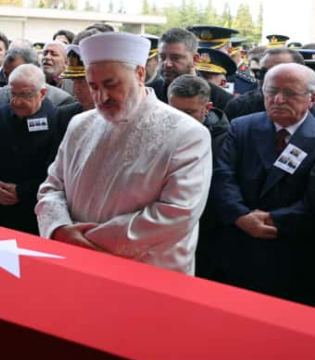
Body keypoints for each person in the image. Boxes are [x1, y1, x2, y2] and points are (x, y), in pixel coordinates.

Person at [36, 32, 212, 275]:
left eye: (111, 84)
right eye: (93, 86)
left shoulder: (188, 133)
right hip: (74, 265)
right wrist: (58, 228)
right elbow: (52, 186)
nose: (101, 97)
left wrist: (80, 240)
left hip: (147, 275)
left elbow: (177, 215)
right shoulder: (80, 124)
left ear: (140, 74)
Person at [209, 63, 315, 304]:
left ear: (312, 98)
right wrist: (240, 216)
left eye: (289, 93)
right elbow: (222, 176)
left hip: (293, 252)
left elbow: (311, 201)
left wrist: (273, 220)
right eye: (270, 91)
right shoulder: (242, 127)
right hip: (236, 245)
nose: (277, 99)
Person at [0, 64, 66, 234]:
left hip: (34, 212)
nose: (16, 101)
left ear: (42, 93)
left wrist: (22, 191)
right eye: (13, 94)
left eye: (25, 95)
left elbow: (57, 172)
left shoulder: (58, 120)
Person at [166, 74, 229, 279]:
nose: (181, 119)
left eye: (189, 112)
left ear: (207, 108)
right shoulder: (157, 130)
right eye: (174, 111)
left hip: (209, 234)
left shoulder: (227, 141)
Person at [153, 27, 232, 111]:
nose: (167, 64)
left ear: (195, 59)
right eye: (162, 57)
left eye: (176, 58)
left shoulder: (221, 100)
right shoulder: (150, 94)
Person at [224, 48, 305, 120]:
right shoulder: (239, 106)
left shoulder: (310, 107)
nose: (268, 78)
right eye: (262, 73)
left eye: (278, 73)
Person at [0, 45, 75, 109]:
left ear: (35, 69)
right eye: (6, 75)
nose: (10, 80)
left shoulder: (60, 100)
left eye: (17, 74)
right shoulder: (0, 96)